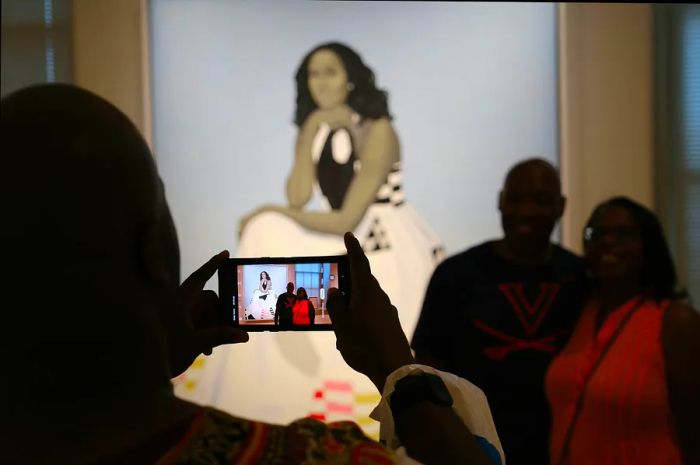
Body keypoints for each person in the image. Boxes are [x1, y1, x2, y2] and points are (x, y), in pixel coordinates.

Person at [2, 84, 503, 465]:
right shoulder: (315, 456)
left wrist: (152, 365)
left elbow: (344, 213)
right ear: (152, 253)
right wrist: (400, 369)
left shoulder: (377, 131)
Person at [195, 41, 443, 429]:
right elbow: (298, 195)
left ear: (350, 78)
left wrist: (269, 210)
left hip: (381, 238)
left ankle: (297, 355)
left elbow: (350, 215)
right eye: (314, 74)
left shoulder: (377, 130)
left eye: (331, 72)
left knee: (268, 222)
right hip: (343, 231)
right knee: (265, 231)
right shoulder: (320, 128)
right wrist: (311, 130)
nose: (322, 82)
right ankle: (267, 360)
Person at [411, 158, 587, 465]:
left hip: (563, 451)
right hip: (469, 451)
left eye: (541, 201)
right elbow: (426, 372)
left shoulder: (582, 279)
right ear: (501, 201)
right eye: (517, 199)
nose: (527, 211)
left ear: (561, 206)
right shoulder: (455, 275)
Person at [545, 197, 700, 465]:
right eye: (597, 233)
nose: (607, 242)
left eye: (624, 234)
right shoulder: (579, 312)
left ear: (648, 245)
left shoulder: (676, 321)